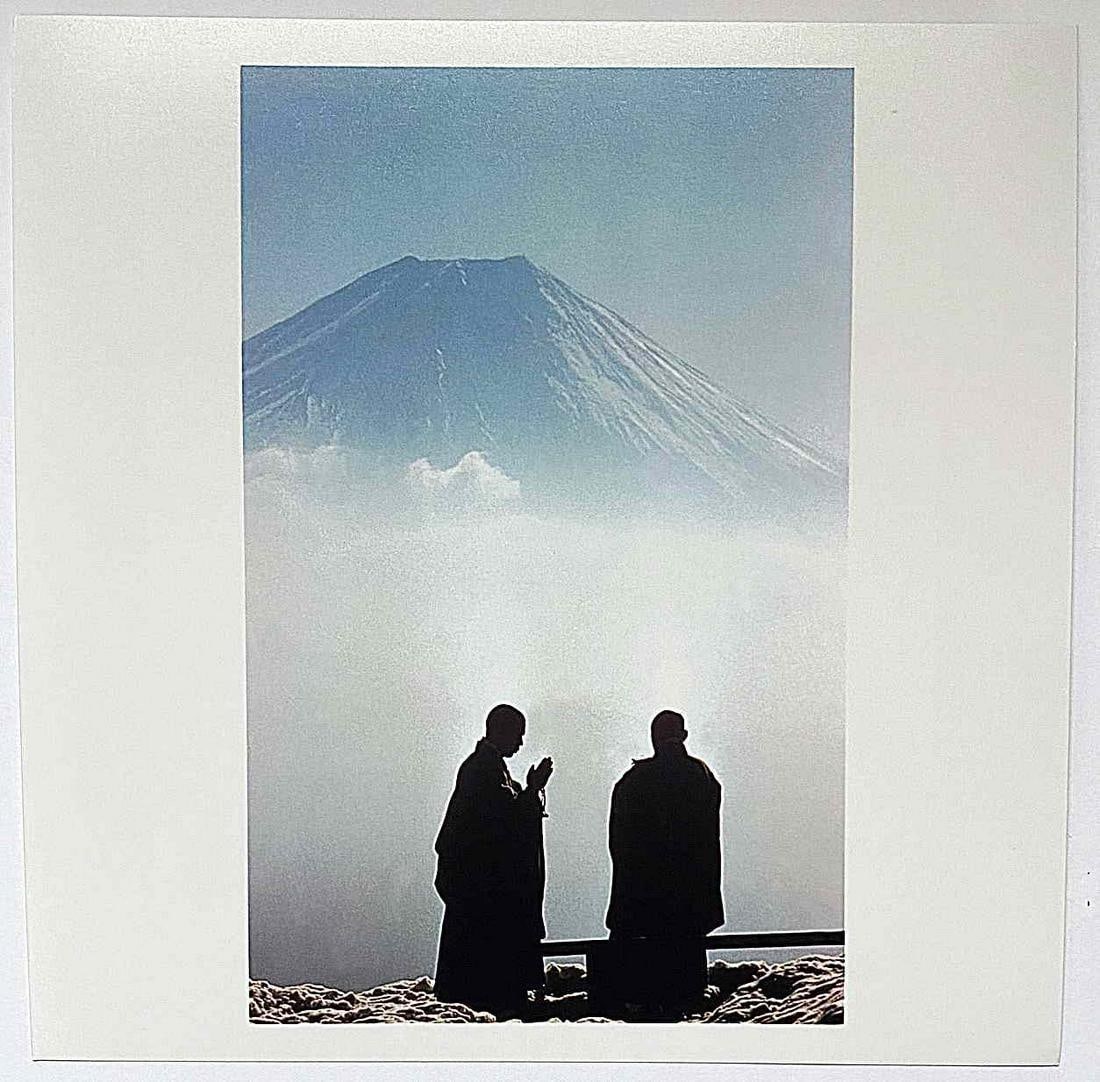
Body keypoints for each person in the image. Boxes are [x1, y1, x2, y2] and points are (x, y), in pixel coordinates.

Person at [433, 703, 553, 1018]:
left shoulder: (486, 767)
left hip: (479, 890)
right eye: (518, 735)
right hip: (485, 893)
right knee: (487, 978)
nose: (521, 743)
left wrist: (524, 793)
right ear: (501, 731)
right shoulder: (482, 770)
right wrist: (532, 791)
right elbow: (502, 824)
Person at [603, 709, 723, 1014]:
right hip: (690, 901)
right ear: (682, 736)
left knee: (648, 993)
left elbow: (619, 844)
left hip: (644, 902)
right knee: (687, 988)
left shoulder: (634, 781)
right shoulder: (702, 776)